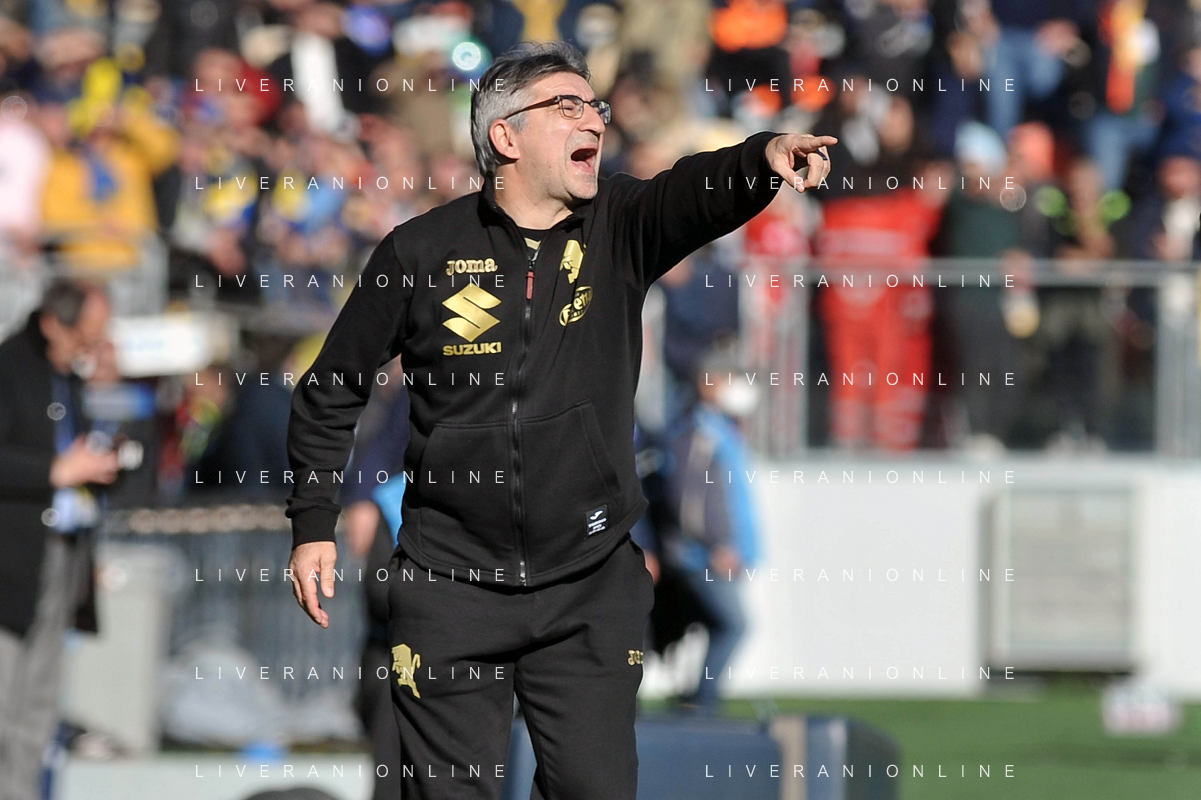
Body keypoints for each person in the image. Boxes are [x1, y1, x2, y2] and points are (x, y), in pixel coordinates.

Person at [284, 40, 834, 800]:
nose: (594, 121)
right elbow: (330, 389)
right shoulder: (420, 252)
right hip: (450, 584)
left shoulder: (621, 226)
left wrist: (761, 157)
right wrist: (314, 522)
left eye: (595, 106)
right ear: (505, 137)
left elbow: (692, 191)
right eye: (567, 106)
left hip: (588, 584)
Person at [0, 278, 119, 800]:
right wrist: (55, 470)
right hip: (11, 567)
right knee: (5, 701)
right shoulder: (9, 370)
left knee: (38, 707)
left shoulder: (68, 378)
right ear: (53, 324)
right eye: (84, 337)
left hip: (62, 554)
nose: (90, 349)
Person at [660, 340, 763, 713]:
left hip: (716, 554)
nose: (737, 386)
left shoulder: (719, 428)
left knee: (722, 626)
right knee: (734, 625)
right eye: (729, 378)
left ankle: (697, 700)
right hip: (703, 556)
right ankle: (700, 703)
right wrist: (718, 544)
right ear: (708, 383)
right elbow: (688, 500)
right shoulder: (696, 432)